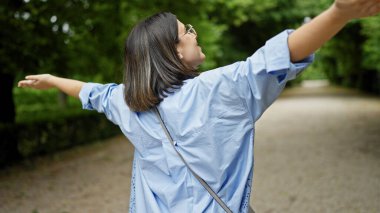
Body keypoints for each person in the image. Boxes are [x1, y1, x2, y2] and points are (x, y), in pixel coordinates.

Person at [18, 0, 379, 212]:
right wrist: (339, 12)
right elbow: (278, 56)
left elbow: (92, 93)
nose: (193, 33)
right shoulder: (217, 89)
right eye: (186, 31)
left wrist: (51, 79)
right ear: (173, 52)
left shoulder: (127, 102)